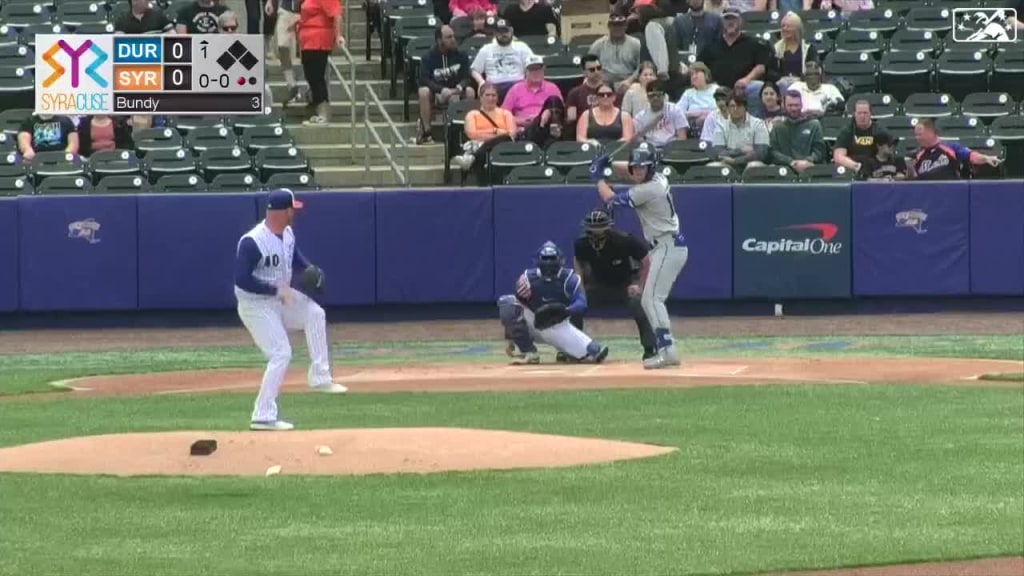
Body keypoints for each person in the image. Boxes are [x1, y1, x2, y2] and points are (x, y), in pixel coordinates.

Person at [234, 189, 347, 432]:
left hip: (280, 298)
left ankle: (320, 378)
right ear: (284, 211)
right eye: (292, 209)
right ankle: (262, 415)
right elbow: (241, 280)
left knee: (315, 314)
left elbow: (294, 257)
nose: (295, 212)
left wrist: (310, 269)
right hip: (255, 305)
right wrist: (275, 291)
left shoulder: (287, 233)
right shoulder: (253, 242)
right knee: (281, 352)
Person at [590, 143, 687, 369]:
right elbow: (634, 170)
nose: (638, 171)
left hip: (667, 245)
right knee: (649, 300)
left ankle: (668, 350)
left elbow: (611, 200)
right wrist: (611, 164)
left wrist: (597, 177)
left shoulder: (648, 190)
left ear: (651, 167)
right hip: (664, 247)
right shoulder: (658, 178)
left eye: (643, 167)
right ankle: (666, 349)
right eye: (636, 167)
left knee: (652, 299)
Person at [498, 241, 610, 365]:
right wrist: (510, 339)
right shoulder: (528, 278)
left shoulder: (569, 278)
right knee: (507, 302)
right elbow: (516, 308)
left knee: (595, 352)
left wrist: (565, 311)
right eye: (545, 259)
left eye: (551, 259)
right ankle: (529, 352)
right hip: (534, 322)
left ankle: (566, 351)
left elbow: (581, 303)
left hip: (558, 324)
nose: (548, 262)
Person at [572, 209, 658, 361]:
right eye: (591, 232)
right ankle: (574, 350)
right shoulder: (582, 244)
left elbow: (647, 261)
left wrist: (639, 285)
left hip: (625, 286)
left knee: (639, 304)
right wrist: (580, 288)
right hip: (598, 286)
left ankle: (650, 348)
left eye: (598, 232)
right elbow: (578, 263)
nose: (594, 236)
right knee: (575, 306)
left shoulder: (624, 240)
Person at [697, 8, 770, 116]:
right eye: (727, 19)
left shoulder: (753, 43)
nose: (730, 22)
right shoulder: (711, 45)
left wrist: (746, 80)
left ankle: (753, 122)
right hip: (716, 90)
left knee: (757, 86)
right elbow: (699, 66)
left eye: (734, 19)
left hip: (743, 89)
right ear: (722, 22)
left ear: (741, 21)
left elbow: (761, 67)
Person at [417, 25, 474, 144]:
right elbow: (424, 80)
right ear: (439, 40)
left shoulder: (461, 55)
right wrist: (441, 89)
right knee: (423, 91)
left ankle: (467, 133)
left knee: (470, 91)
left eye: (453, 36)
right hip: (438, 93)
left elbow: (468, 77)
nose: (453, 39)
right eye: (449, 37)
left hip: (456, 91)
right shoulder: (428, 57)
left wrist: (458, 88)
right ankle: (427, 132)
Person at [451, 82, 517, 182]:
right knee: (500, 138)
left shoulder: (506, 114)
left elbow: (511, 135)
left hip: (503, 147)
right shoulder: (472, 114)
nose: (490, 98)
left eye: (493, 95)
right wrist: (496, 131)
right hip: (479, 145)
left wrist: (486, 134)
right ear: (481, 97)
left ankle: (472, 158)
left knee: (505, 138)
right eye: (487, 95)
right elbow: (472, 134)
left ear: (497, 98)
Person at [297, 0, 344, 126]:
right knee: (310, 76)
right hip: (307, 41)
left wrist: (339, 35)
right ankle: (318, 111)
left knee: (316, 76)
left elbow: (337, 15)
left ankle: (324, 114)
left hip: (319, 39)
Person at [908, 118, 1001, 180]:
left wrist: (986, 158)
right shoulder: (917, 154)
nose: (917, 137)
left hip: (950, 191)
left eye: (920, 134)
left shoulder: (950, 147)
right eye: (916, 135)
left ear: (931, 132)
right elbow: (913, 178)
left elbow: (970, 155)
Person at [470, 19, 535, 100]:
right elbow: (474, 70)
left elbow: (533, 65)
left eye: (506, 31)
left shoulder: (521, 46)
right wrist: (481, 82)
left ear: (511, 31)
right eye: (500, 32)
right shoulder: (486, 49)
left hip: (518, 83)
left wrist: (528, 80)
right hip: (494, 86)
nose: (503, 34)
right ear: (495, 33)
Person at [501, 56, 564, 139]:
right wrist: (523, 121)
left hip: (547, 128)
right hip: (525, 130)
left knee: (552, 100)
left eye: (538, 69)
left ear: (543, 70)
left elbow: (561, 112)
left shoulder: (552, 88)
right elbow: (503, 115)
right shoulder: (515, 89)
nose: (535, 73)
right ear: (525, 72)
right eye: (532, 70)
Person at [709, 90, 770, 170]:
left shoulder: (758, 124)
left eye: (739, 106)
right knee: (713, 167)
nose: (735, 109)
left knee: (754, 166)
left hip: (751, 163)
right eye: (732, 106)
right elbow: (718, 153)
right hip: (728, 164)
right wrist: (741, 150)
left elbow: (761, 153)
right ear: (727, 108)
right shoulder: (721, 126)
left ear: (745, 107)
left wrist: (735, 160)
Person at [769, 90, 826, 174]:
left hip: (809, 167)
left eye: (796, 105)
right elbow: (772, 151)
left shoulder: (814, 124)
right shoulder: (777, 126)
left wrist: (807, 161)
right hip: (783, 168)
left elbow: (820, 151)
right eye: (790, 105)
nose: (793, 108)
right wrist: (791, 162)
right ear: (784, 105)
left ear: (801, 105)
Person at [589, 14, 643, 94]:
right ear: (609, 26)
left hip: (628, 79)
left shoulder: (636, 44)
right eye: (614, 26)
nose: (617, 28)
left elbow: (641, 66)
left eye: (620, 26)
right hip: (604, 81)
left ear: (626, 26)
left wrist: (630, 80)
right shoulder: (598, 45)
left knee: (635, 89)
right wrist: (598, 80)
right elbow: (589, 65)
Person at [832, 100, 888, 173]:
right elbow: (838, 157)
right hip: (852, 168)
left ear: (871, 114)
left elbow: (885, 155)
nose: (862, 116)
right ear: (854, 114)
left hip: (875, 169)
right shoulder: (846, 132)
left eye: (865, 113)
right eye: (859, 113)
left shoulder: (880, 131)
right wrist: (857, 166)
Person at [771, 12, 818, 94]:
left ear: (797, 29)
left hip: (803, 84)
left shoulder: (808, 48)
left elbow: (813, 68)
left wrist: (800, 79)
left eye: (788, 26)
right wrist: (780, 79)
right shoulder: (776, 48)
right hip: (781, 84)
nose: (785, 29)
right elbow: (771, 71)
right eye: (783, 26)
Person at [270, 0, 307, 106]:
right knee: (282, 47)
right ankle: (292, 85)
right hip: (285, 10)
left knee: (307, 50)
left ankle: (309, 88)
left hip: (305, 11)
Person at [634, 79, 688, 148]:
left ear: (664, 96)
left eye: (658, 95)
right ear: (647, 97)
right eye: (652, 95)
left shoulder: (675, 110)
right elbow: (638, 141)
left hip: (672, 148)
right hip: (651, 149)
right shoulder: (640, 117)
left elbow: (682, 138)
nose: (655, 98)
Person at [676, 62, 719, 133]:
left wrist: (706, 115)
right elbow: (677, 112)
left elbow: (723, 110)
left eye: (696, 73)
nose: (693, 77)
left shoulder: (716, 89)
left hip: (715, 125)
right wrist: (694, 114)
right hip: (694, 126)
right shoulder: (688, 93)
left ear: (706, 75)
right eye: (691, 74)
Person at [565, 55, 607, 124]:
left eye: (599, 68)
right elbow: (571, 119)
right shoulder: (575, 93)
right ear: (584, 72)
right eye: (592, 70)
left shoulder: (610, 90)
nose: (596, 72)